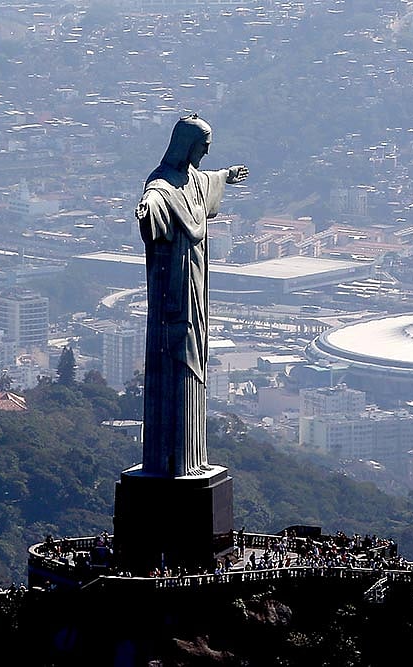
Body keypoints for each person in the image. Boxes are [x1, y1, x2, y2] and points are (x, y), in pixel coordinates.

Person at [136, 114, 248, 477]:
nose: (206, 153)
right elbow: (153, 200)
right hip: (175, 291)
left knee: (194, 356)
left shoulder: (194, 181)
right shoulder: (163, 187)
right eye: (203, 147)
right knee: (177, 360)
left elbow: (206, 182)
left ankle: (193, 459)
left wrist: (226, 176)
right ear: (186, 145)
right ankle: (175, 461)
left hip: (196, 285)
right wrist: (147, 212)